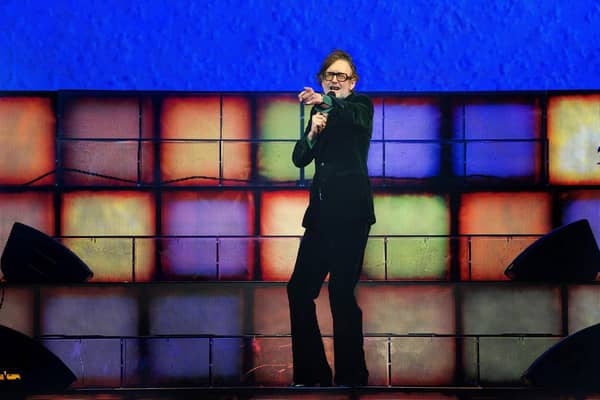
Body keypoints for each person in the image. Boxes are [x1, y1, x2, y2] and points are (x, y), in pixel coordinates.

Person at [287, 49, 375, 387]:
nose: (335, 81)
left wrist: (325, 102)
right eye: (329, 76)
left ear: (352, 83)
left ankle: (352, 377)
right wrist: (313, 131)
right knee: (299, 290)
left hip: (351, 215)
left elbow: (352, 116)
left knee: (340, 293)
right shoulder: (321, 115)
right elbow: (299, 157)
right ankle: (312, 375)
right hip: (321, 217)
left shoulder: (360, 106)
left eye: (341, 77)